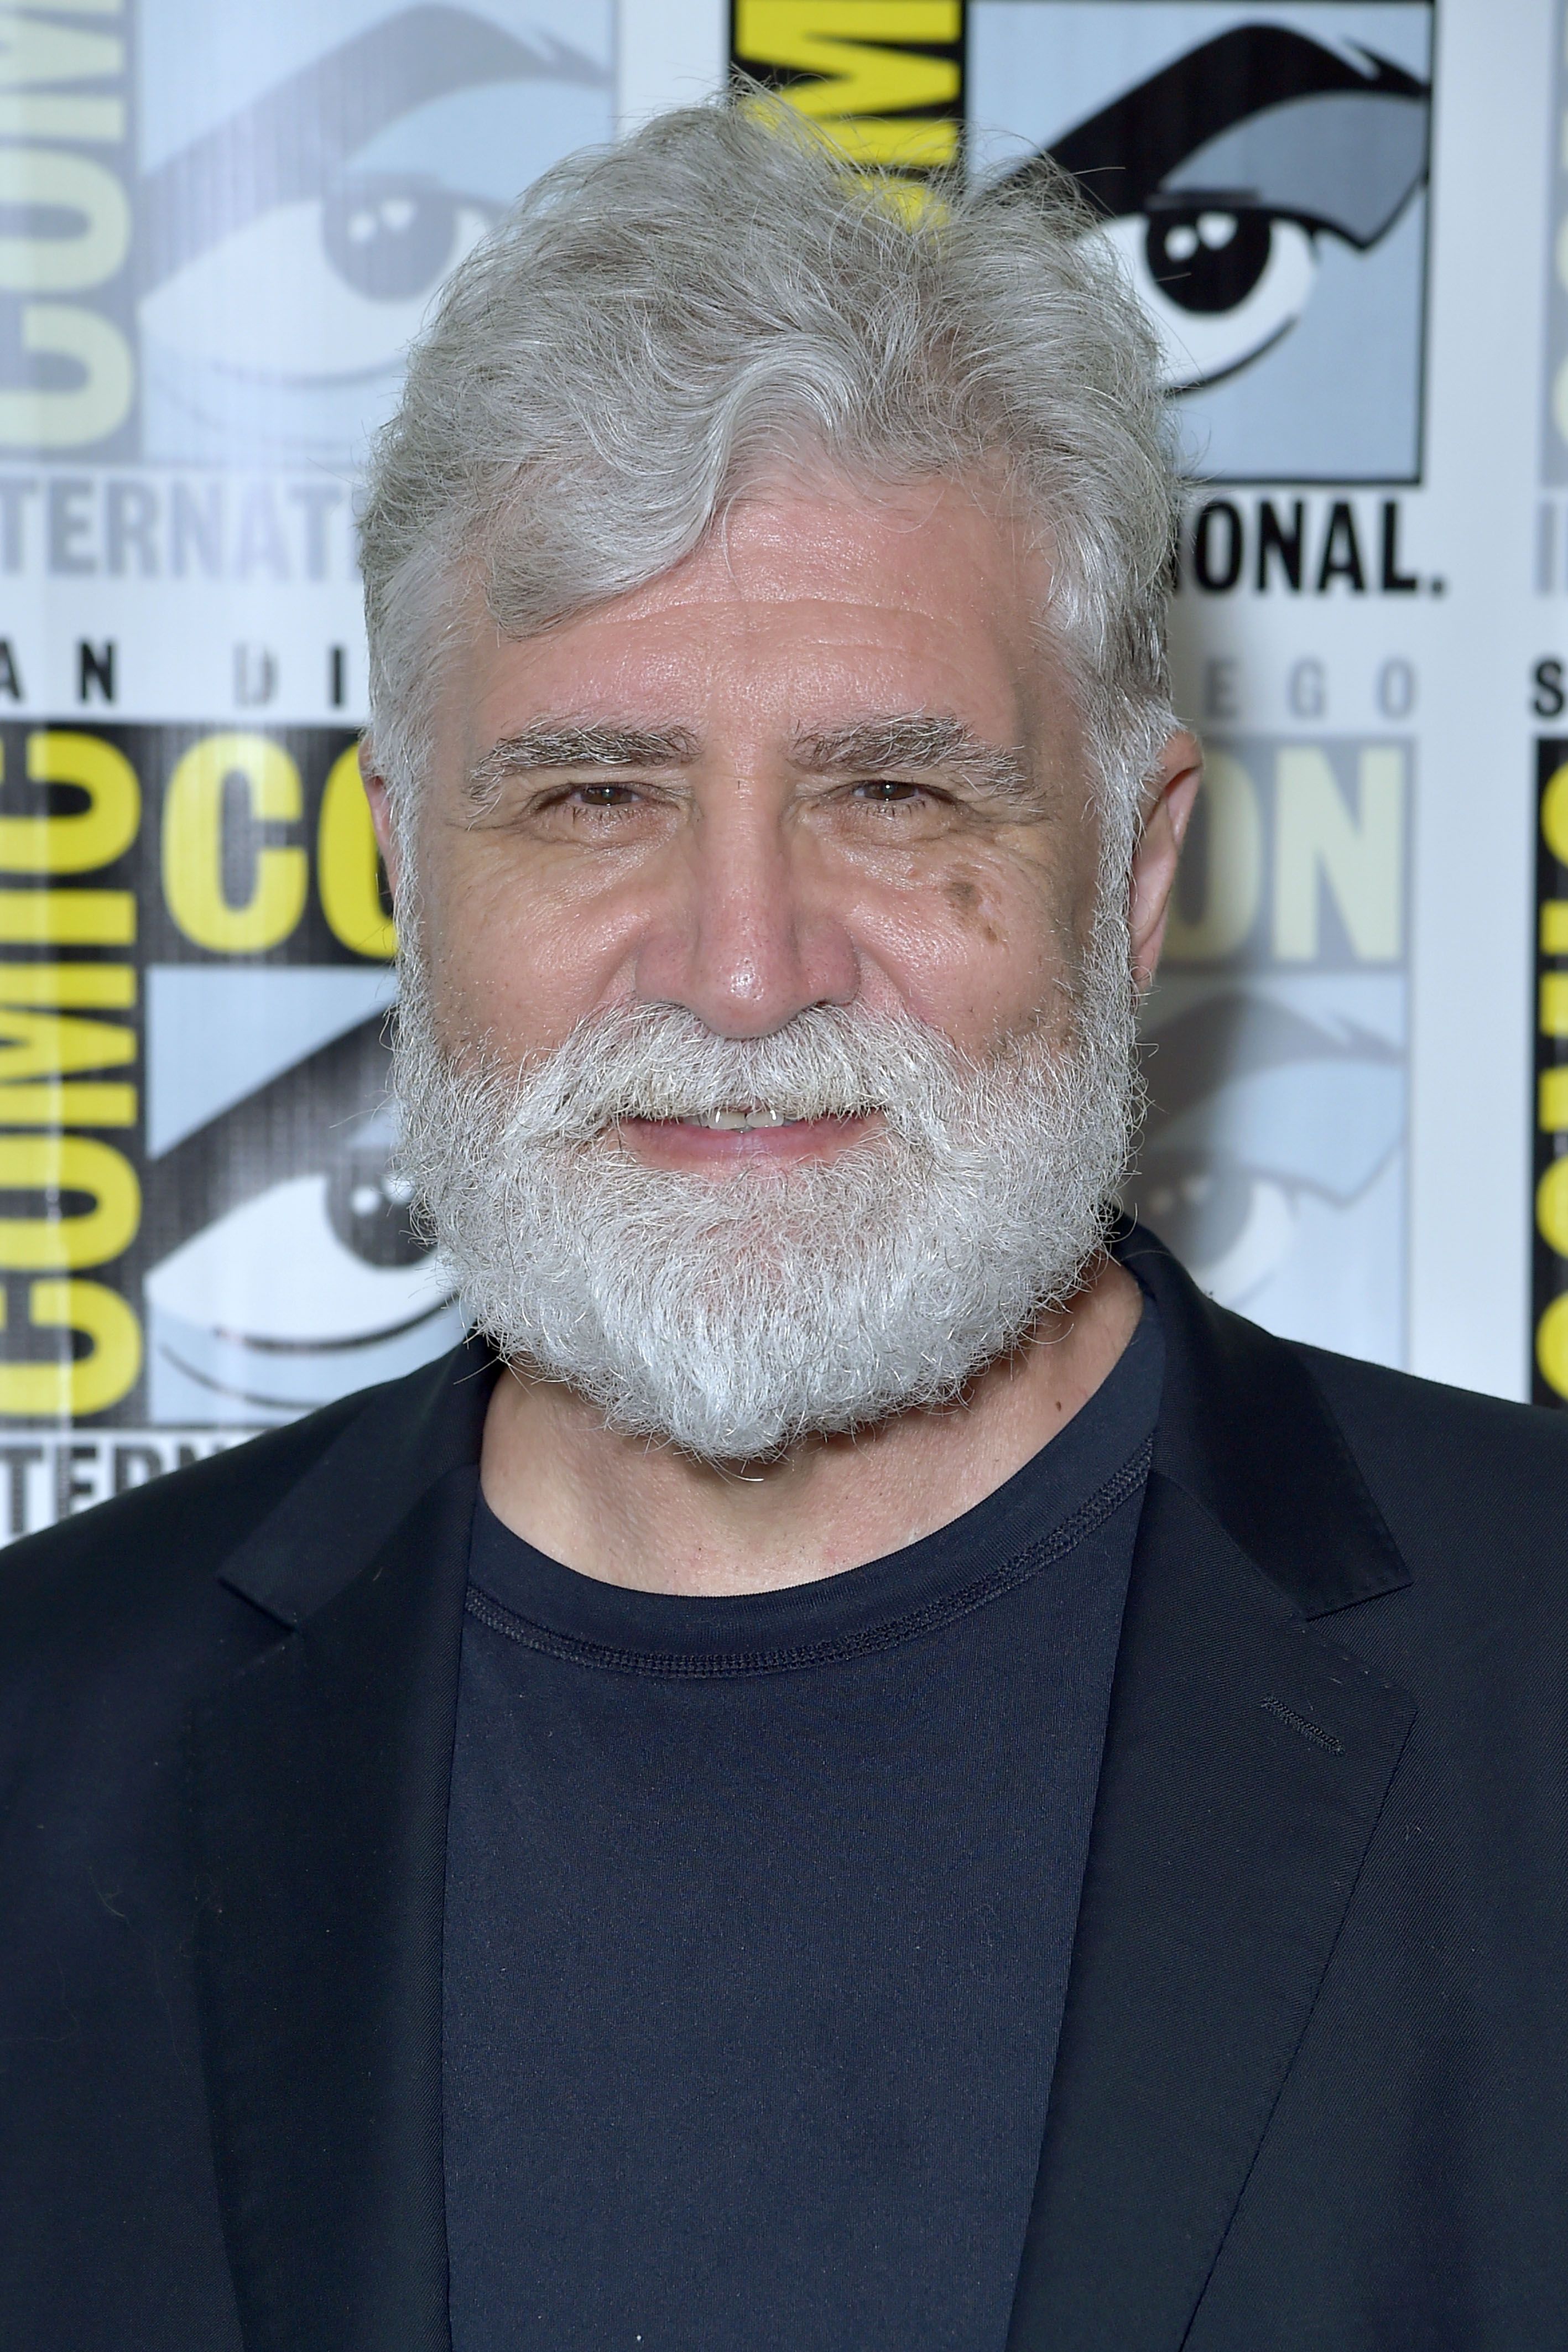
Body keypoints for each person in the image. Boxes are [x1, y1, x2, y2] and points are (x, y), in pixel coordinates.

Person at [2, 97, 1565, 2352]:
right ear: (407, 868)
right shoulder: (44, 1747)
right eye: (594, 797)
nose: (744, 970)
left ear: (1131, 878)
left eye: (895, 792)